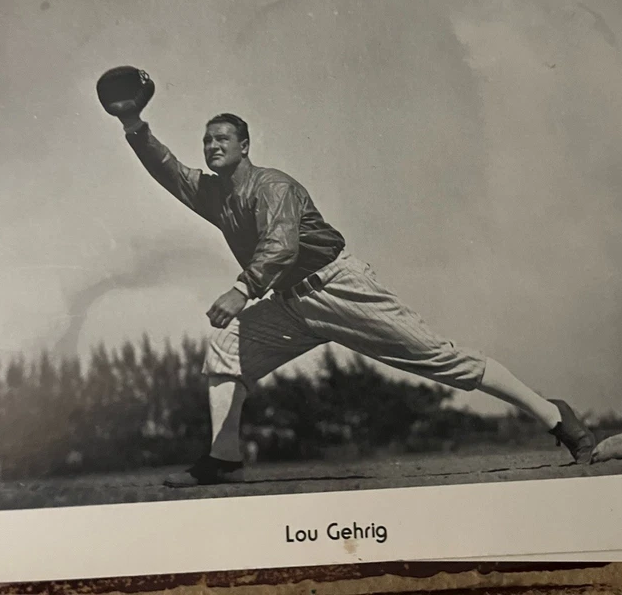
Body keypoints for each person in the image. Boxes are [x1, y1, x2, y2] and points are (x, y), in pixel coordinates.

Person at [112, 104, 596, 487]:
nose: (212, 146)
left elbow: (281, 245)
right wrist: (133, 123)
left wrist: (243, 289)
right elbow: (169, 170)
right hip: (290, 304)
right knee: (225, 351)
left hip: (338, 286)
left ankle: (555, 416)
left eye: (222, 139)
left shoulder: (272, 185)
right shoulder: (213, 193)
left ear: (245, 146)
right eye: (206, 140)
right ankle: (224, 457)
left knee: (440, 359)